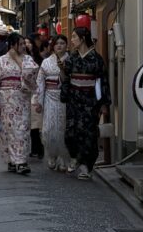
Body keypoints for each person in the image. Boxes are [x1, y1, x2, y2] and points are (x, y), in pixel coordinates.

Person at [61, 25, 110, 180]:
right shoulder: (72, 58)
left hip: (90, 100)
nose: (72, 40)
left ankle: (86, 167)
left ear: (82, 39)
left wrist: (103, 103)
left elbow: (102, 82)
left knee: (88, 133)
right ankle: (74, 157)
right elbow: (66, 79)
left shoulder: (96, 59)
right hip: (74, 99)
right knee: (70, 132)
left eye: (75, 37)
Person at [0, 31, 38, 175]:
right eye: (20, 44)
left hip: (22, 99)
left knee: (22, 130)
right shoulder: (1, 60)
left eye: (24, 44)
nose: (23, 46)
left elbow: (31, 74)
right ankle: (11, 159)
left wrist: (17, 58)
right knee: (8, 131)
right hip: (5, 100)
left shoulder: (27, 59)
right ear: (12, 45)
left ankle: (21, 161)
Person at [35, 34, 70, 171]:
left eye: (62, 43)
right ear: (53, 46)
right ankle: (51, 155)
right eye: (57, 43)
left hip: (65, 98)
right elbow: (40, 82)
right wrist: (38, 101)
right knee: (49, 129)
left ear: (66, 45)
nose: (60, 45)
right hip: (50, 96)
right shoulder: (46, 62)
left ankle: (63, 158)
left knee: (63, 129)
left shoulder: (71, 60)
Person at [25, 36, 45, 160]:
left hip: (36, 92)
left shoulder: (39, 60)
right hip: (25, 93)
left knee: (36, 122)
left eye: (29, 42)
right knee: (29, 122)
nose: (27, 45)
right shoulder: (21, 59)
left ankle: (38, 147)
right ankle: (34, 147)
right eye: (24, 43)